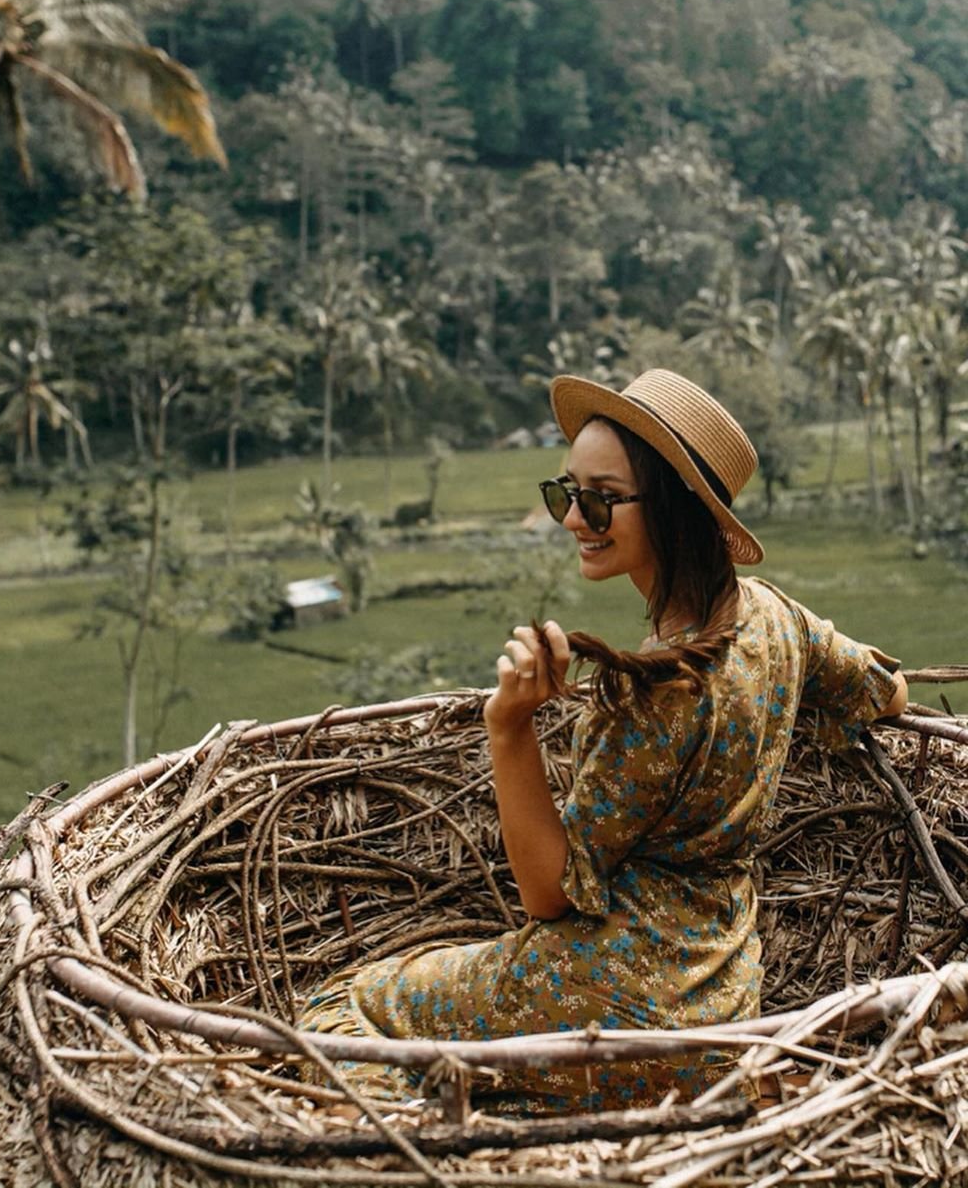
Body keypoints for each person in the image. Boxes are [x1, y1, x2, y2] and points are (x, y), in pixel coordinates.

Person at [298, 368, 908, 1112]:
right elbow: (888, 692)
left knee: (344, 1008)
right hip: (723, 1014)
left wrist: (508, 726)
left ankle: (411, 1138)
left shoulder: (652, 693)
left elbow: (550, 895)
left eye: (600, 499)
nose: (572, 519)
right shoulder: (779, 621)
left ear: (675, 508)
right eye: (567, 494)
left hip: (610, 1014)